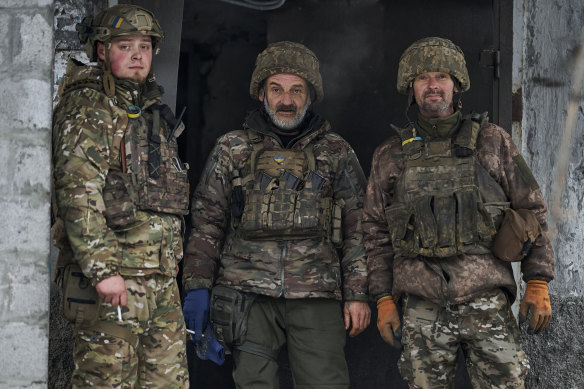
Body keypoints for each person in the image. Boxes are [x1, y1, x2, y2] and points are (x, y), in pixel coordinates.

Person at [363, 37, 555, 388]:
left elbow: (531, 210)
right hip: (423, 305)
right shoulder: (390, 154)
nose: (433, 85)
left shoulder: (493, 142)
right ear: (411, 87)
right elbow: (374, 232)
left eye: (441, 76)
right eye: (423, 78)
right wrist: (384, 297)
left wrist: (538, 280)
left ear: (456, 84)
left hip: (486, 299)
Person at [182, 41, 370, 388]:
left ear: (310, 96)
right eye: (276, 89)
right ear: (261, 94)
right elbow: (207, 222)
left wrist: (358, 293)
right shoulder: (232, 148)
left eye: (296, 90)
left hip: (317, 294)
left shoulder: (336, 151)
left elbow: (360, 226)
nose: (286, 100)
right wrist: (197, 287)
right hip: (246, 293)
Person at [52, 5, 190, 388]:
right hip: (115, 281)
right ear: (101, 51)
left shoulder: (148, 111)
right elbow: (78, 190)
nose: (136, 55)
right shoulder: (88, 106)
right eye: (124, 45)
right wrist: (102, 270)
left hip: (159, 280)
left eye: (144, 47)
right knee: (107, 382)